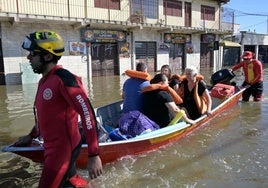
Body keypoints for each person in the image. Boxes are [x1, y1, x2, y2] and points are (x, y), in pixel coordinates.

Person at [14, 30, 102, 187]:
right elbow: (46, 116)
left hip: (63, 150)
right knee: (69, 180)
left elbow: (87, 113)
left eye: (32, 54)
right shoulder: (44, 81)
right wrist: (31, 136)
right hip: (51, 147)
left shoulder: (65, 80)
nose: (29, 58)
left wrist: (93, 154)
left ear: (47, 56)